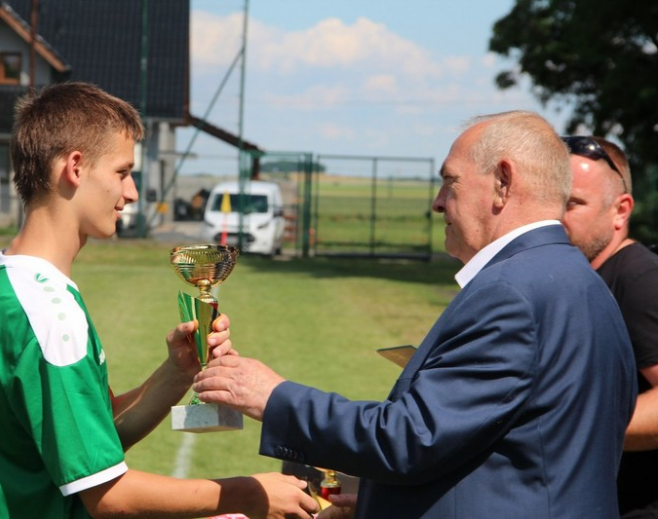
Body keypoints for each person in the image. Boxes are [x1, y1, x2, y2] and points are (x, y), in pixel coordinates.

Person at [192, 111, 638, 518]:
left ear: (503, 181)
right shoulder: (579, 280)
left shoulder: (513, 291)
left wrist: (271, 396)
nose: (438, 202)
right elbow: (509, 450)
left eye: (451, 182)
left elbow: (413, 439)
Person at [0, 82, 318, 519]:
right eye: (122, 172)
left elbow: (95, 434)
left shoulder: (3, 280)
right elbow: (108, 496)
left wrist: (177, 373)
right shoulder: (47, 311)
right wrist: (247, 494)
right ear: (75, 166)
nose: (130, 193)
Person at [561, 135, 658, 517]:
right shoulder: (584, 277)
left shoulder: (639, 280)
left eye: (573, 204)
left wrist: (561, 421)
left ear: (621, 210)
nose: (556, 217)